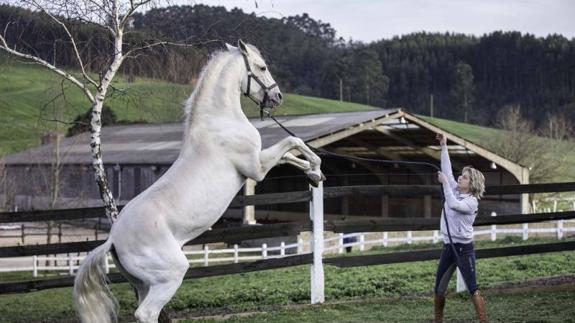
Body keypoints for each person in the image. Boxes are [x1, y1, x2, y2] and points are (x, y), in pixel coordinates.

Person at [434, 133, 487, 323]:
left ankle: (483, 320)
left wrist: (446, 184)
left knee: (472, 287)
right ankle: (437, 320)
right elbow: (447, 172)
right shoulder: (455, 190)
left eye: (463, 178)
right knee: (439, 289)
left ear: (471, 184)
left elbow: (454, 204)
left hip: (464, 250)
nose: (459, 178)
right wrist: (444, 146)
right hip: (448, 248)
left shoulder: (472, 202)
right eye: (461, 176)